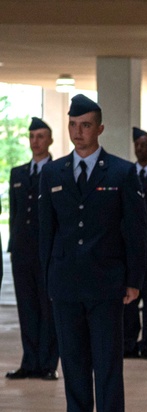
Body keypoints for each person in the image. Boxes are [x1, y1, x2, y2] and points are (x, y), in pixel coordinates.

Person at [38, 94, 147, 412]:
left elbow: (134, 230)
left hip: (106, 282)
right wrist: (47, 279)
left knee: (107, 361)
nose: (78, 132)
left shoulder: (120, 172)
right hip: (66, 283)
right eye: (73, 124)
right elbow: (46, 231)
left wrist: (134, 280)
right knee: (73, 360)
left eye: (85, 125)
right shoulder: (53, 173)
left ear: (100, 128)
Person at [6, 117, 59, 381]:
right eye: (32, 136)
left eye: (40, 136)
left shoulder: (58, 171)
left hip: (47, 252)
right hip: (23, 252)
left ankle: (48, 364)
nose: (35, 141)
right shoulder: (17, 173)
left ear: (50, 140)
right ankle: (29, 361)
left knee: (48, 308)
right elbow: (15, 213)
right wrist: (13, 246)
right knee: (26, 308)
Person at [124, 127, 147, 360]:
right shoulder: (127, 174)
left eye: (145, 144)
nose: (140, 148)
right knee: (129, 302)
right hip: (131, 252)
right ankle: (128, 344)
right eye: (137, 144)